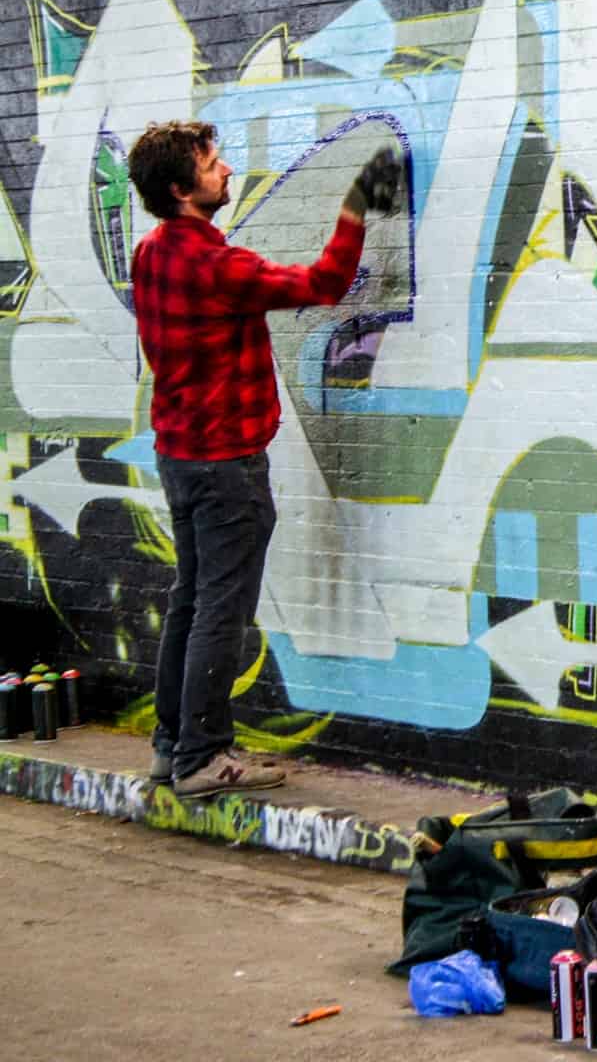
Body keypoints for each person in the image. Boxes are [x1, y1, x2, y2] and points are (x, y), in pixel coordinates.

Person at [126, 121, 402, 798]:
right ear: (180, 189)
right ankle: (202, 758)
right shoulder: (221, 269)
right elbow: (327, 282)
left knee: (190, 602)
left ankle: (173, 749)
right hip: (227, 467)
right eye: (211, 165)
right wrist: (354, 205)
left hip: (180, 457)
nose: (225, 171)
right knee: (220, 611)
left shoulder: (150, 254)